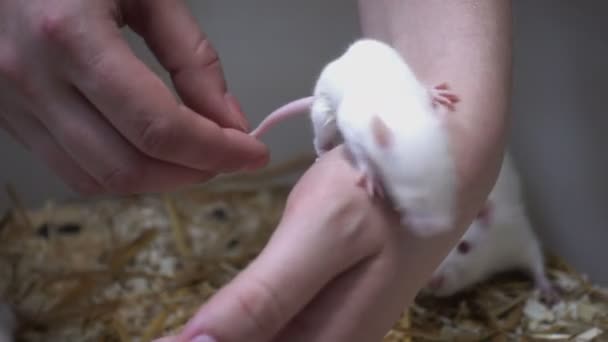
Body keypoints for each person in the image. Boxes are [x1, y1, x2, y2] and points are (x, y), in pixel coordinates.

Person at [0, 1, 512, 341]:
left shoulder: (403, 127)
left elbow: (411, 106)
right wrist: (334, 154)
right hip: (345, 92)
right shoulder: (366, 125)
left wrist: (460, 120)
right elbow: (356, 120)